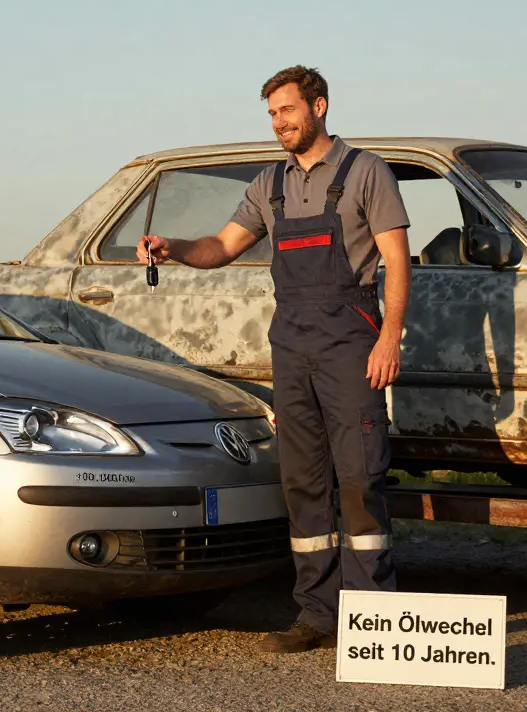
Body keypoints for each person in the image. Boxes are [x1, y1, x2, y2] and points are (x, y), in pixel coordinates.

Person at [137, 65, 411, 654]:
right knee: (302, 483)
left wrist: (390, 337)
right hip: (291, 343)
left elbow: (396, 260)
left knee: (360, 478)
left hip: (352, 340)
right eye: (271, 114)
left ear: (319, 106)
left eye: (286, 110)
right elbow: (221, 246)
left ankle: (375, 621)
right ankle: (317, 614)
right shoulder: (270, 184)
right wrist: (173, 247)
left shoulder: (367, 172)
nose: (278, 123)